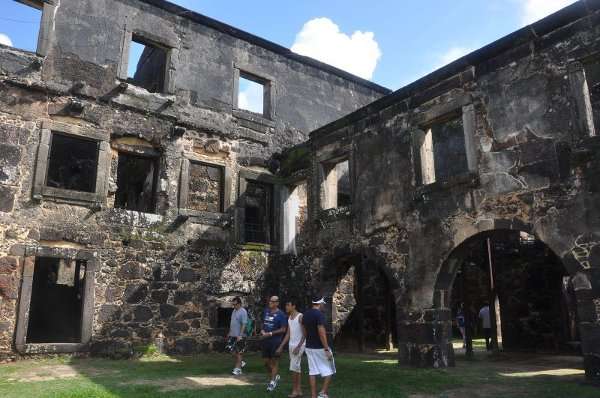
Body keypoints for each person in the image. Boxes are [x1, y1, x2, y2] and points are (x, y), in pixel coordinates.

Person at [302, 296, 335, 398]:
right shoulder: (319, 315)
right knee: (330, 369)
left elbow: (304, 330)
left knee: (312, 371)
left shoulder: (306, 314)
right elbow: (321, 332)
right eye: (323, 304)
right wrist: (326, 348)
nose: (323, 306)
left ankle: (313, 396)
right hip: (320, 347)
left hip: (309, 347)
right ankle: (323, 393)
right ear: (320, 304)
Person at [276, 298, 306, 398]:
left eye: (288, 305)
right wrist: (281, 346)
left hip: (299, 345)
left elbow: (305, 334)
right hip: (291, 345)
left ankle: (295, 391)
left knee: (293, 367)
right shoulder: (289, 318)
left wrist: (298, 346)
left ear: (294, 306)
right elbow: (288, 334)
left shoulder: (300, 317)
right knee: (297, 368)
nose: (286, 307)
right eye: (286, 305)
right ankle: (299, 390)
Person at [260, 295, 288, 392]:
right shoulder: (266, 311)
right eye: (270, 301)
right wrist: (263, 331)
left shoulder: (281, 314)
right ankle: (274, 375)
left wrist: (271, 333)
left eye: (272, 301)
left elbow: (283, 329)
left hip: (275, 342)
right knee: (266, 362)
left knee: (274, 361)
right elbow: (263, 323)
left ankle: (272, 382)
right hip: (265, 341)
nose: (270, 303)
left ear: (277, 303)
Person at [227, 297, 248, 376]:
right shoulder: (234, 311)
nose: (234, 306)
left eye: (235, 304)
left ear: (239, 304)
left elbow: (244, 324)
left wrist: (240, 335)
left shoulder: (243, 312)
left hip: (240, 336)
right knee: (231, 349)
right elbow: (232, 322)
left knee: (239, 352)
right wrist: (229, 332)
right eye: (233, 304)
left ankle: (238, 369)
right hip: (232, 334)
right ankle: (241, 362)